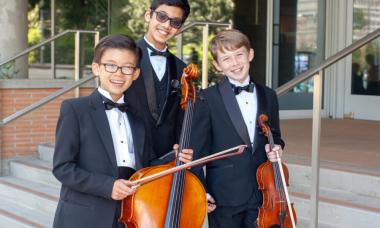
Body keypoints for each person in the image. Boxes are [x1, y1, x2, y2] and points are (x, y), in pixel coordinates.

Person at [52, 34, 193, 228]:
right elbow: (63, 168)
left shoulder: (138, 118)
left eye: (127, 68)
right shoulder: (75, 109)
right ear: (96, 68)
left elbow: (145, 164)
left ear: (135, 74)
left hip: (129, 213)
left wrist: (173, 157)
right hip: (85, 216)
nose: (119, 74)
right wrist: (108, 186)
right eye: (110, 65)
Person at [190, 29, 285, 228]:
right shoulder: (206, 98)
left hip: (263, 193)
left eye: (239, 55)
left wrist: (277, 147)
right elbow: (197, 152)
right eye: (226, 59)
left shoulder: (268, 95)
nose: (235, 63)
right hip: (224, 195)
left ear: (250, 54)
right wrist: (201, 190)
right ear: (217, 65)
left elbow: (275, 134)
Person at [124, 0, 191, 159]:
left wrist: (181, 146)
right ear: (148, 15)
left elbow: (181, 118)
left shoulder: (182, 68)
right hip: (130, 152)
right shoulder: (125, 57)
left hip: (167, 158)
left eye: (174, 22)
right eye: (162, 17)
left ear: (179, 28)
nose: (166, 25)